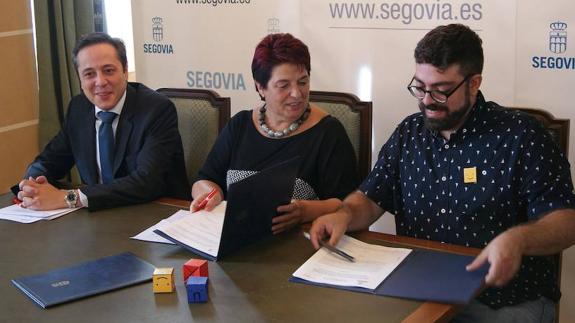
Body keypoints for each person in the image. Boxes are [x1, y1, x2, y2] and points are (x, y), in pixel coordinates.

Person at [309, 24, 575, 322]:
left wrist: (518, 240)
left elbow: (566, 220)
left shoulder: (522, 135)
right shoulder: (409, 133)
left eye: (440, 90)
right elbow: (369, 200)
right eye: (420, 87)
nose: (426, 100)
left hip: (504, 299)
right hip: (420, 294)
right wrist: (344, 213)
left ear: (474, 83)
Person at [191, 33, 359, 234]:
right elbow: (204, 179)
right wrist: (210, 195)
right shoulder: (239, 125)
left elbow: (346, 204)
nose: (297, 93)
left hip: (300, 243)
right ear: (260, 87)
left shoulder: (328, 133)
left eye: (303, 82)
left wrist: (304, 211)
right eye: (284, 85)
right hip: (236, 238)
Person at [15, 32, 190, 211]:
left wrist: (69, 198)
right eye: (89, 74)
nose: (100, 81)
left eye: (108, 71)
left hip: (153, 213)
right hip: (98, 216)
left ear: (124, 70)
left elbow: (146, 182)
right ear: (80, 80)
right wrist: (33, 184)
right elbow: (49, 161)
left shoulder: (156, 110)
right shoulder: (79, 108)